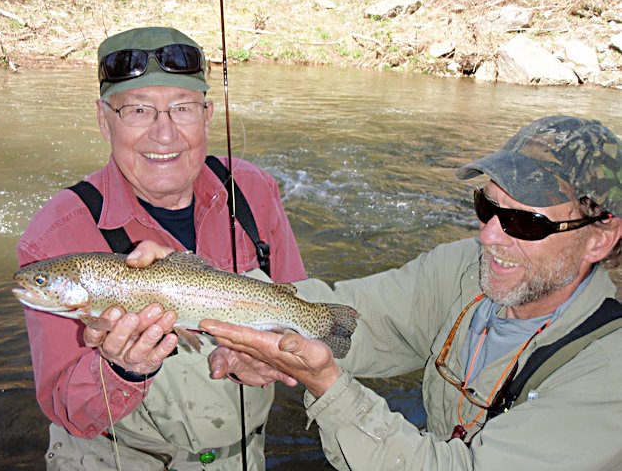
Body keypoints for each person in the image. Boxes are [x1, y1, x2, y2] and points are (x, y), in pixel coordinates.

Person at [197, 115, 622, 470]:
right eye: (487, 207)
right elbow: (355, 318)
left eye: (526, 222)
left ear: (599, 239)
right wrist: (190, 287)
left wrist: (327, 386)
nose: (490, 235)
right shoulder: (465, 270)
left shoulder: (607, 377)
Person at [16, 26, 307, 470]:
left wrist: (272, 352)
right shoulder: (55, 234)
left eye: (182, 109)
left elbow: (296, 303)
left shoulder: (252, 191)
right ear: (103, 119)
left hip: (244, 456)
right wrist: (123, 369)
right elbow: (68, 413)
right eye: (137, 110)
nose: (164, 134)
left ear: (208, 115)